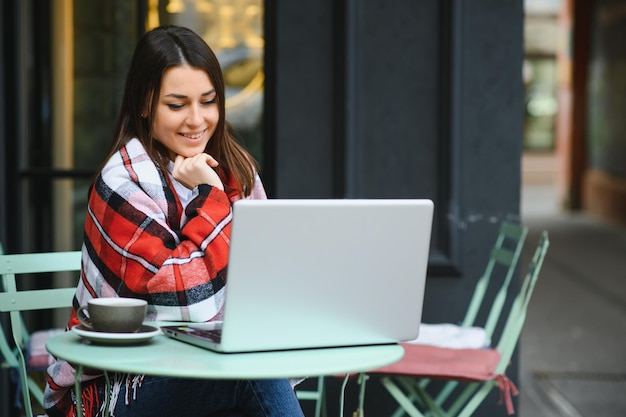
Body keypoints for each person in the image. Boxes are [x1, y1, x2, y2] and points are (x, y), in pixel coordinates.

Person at [44, 25, 305, 417]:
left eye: (209, 101)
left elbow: (265, 278)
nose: (197, 120)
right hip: (119, 382)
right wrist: (211, 198)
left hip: (207, 366)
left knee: (249, 369)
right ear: (146, 104)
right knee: (250, 372)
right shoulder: (121, 183)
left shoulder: (238, 170)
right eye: (177, 104)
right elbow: (185, 302)